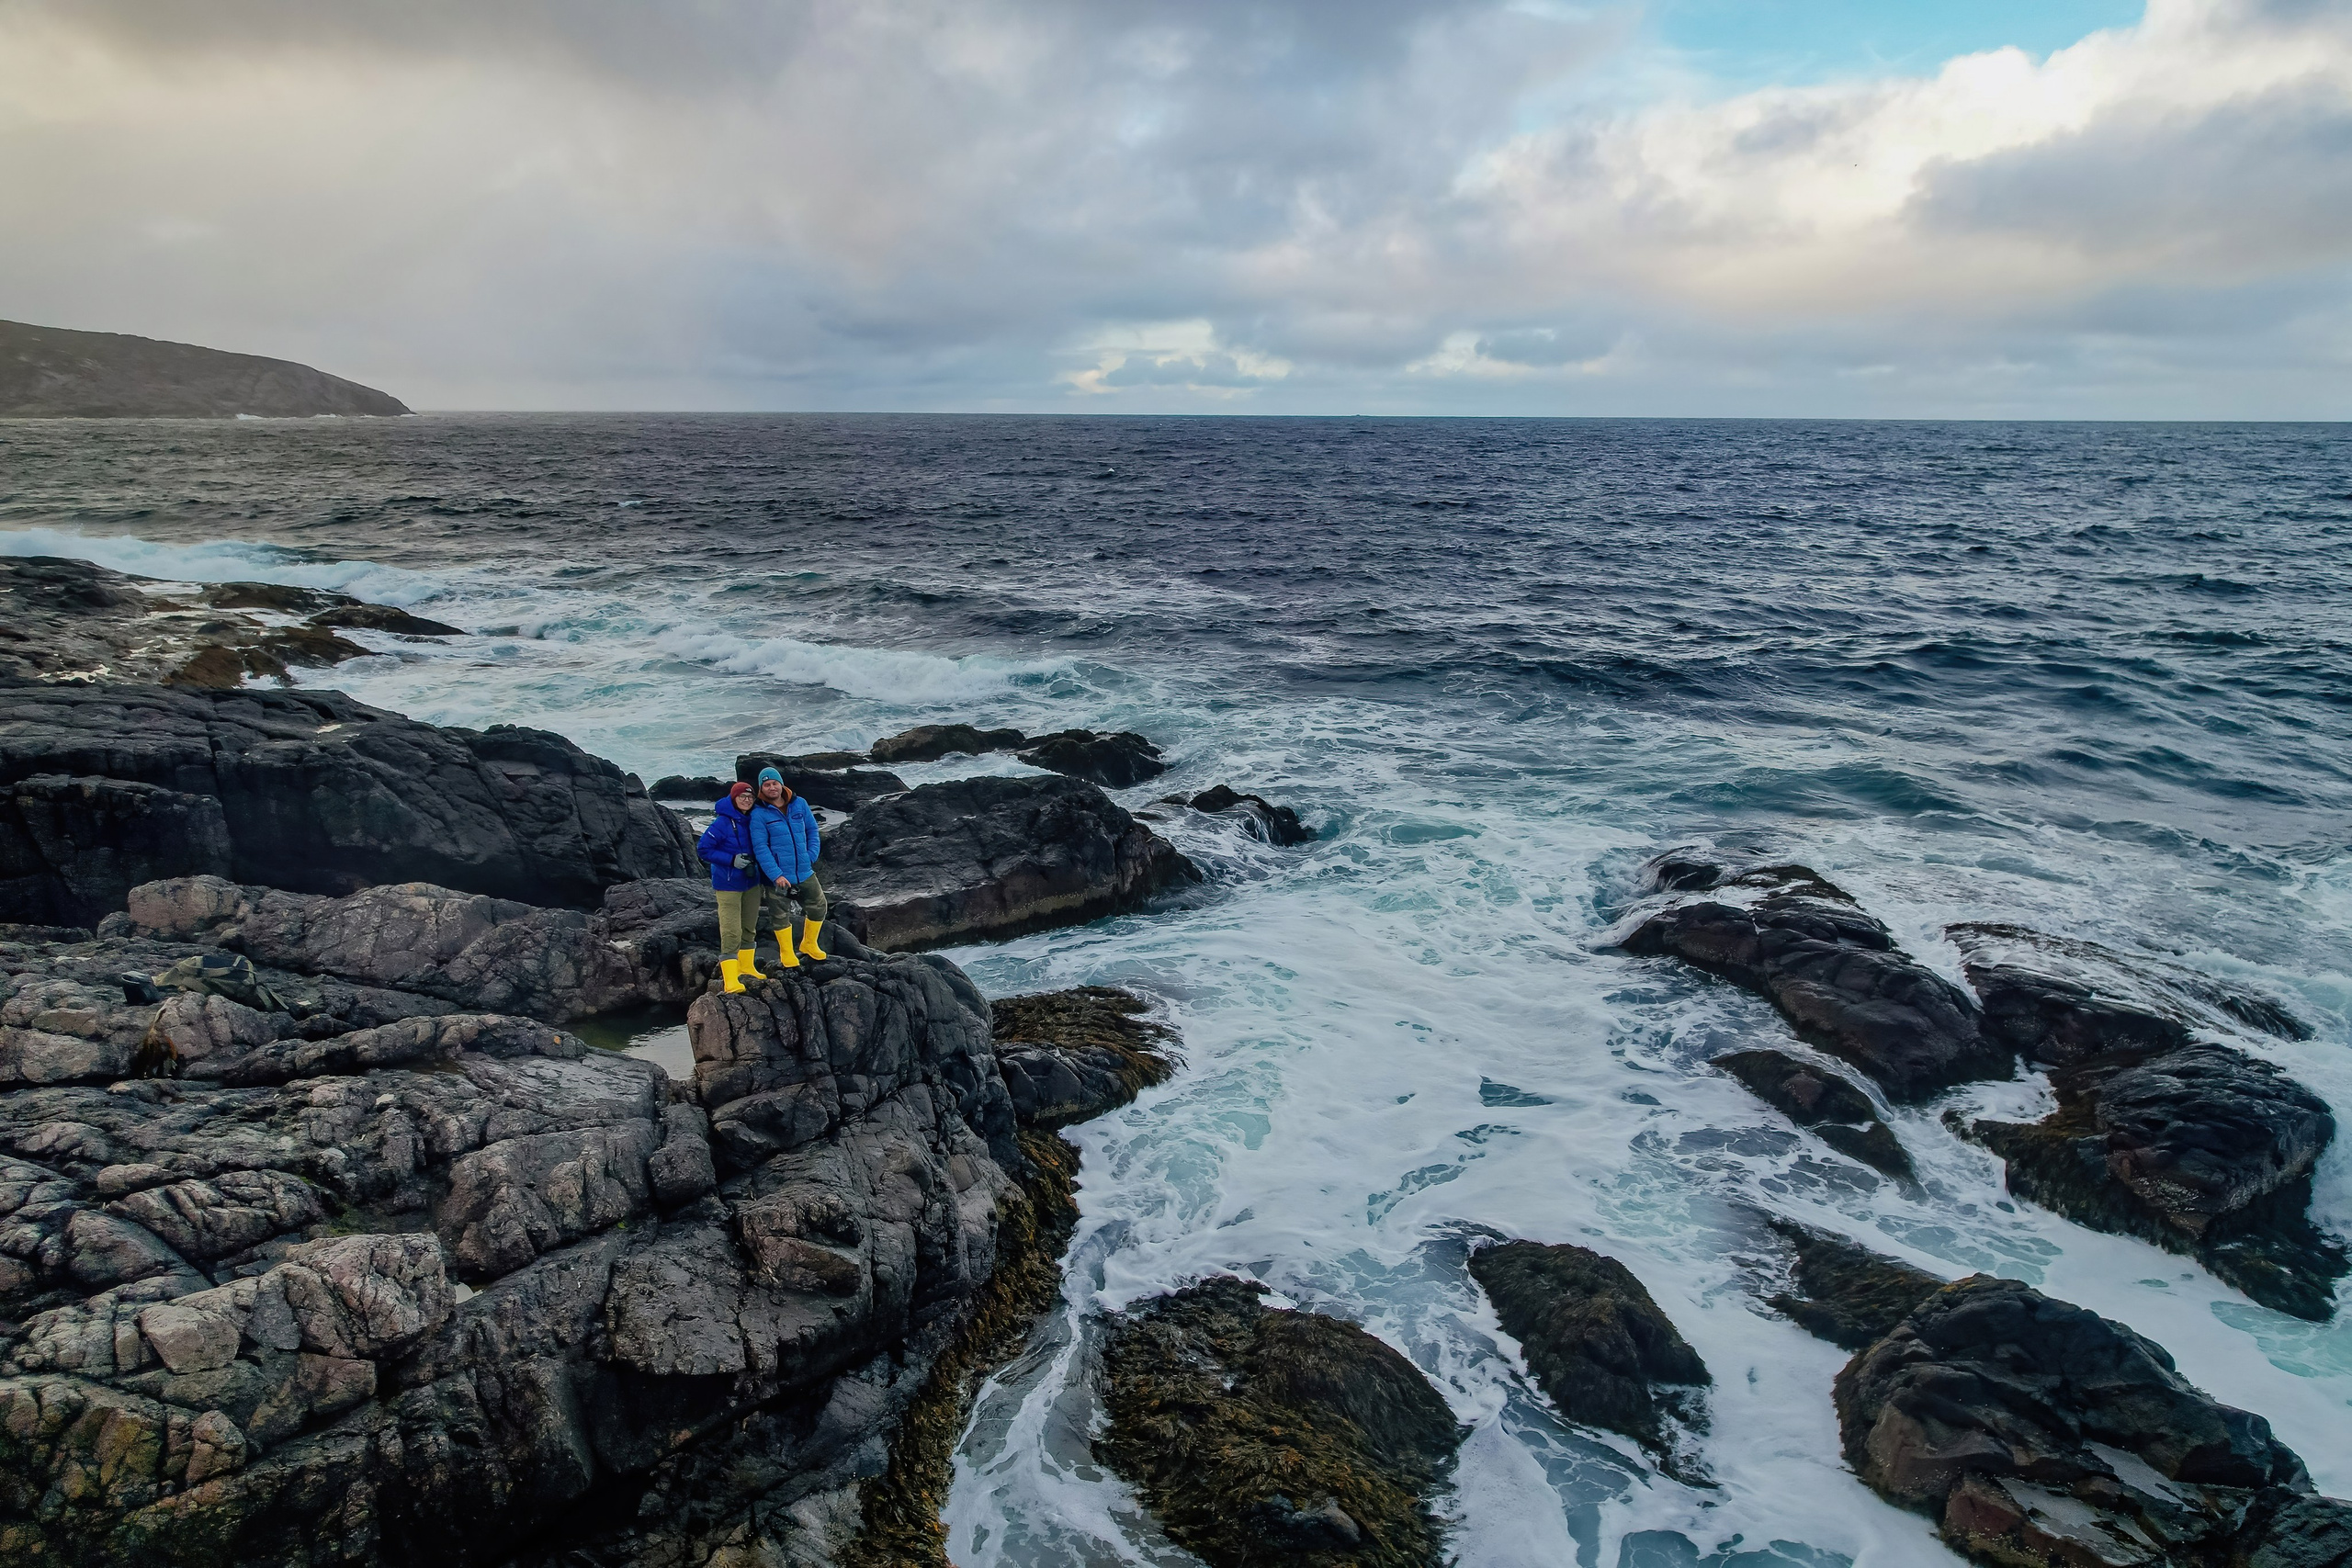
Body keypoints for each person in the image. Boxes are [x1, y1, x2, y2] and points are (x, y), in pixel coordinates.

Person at [750, 765, 829, 969]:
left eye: (774, 783)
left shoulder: (799, 804)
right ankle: (787, 952)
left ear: (781, 784)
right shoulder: (758, 813)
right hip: (778, 876)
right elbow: (760, 847)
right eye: (766, 785)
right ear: (761, 788)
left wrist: (811, 855)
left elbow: (812, 830)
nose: (772, 787)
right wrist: (776, 874)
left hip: (804, 870)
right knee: (780, 914)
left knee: (819, 906)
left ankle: (809, 943)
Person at [695, 779, 768, 993]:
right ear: (733, 798)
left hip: (752, 882)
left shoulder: (754, 819)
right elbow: (703, 849)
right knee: (731, 931)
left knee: (749, 927)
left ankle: (746, 967)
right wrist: (731, 860)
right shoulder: (722, 823)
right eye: (742, 797)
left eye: (749, 797)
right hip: (727, 884)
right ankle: (730, 979)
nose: (746, 800)